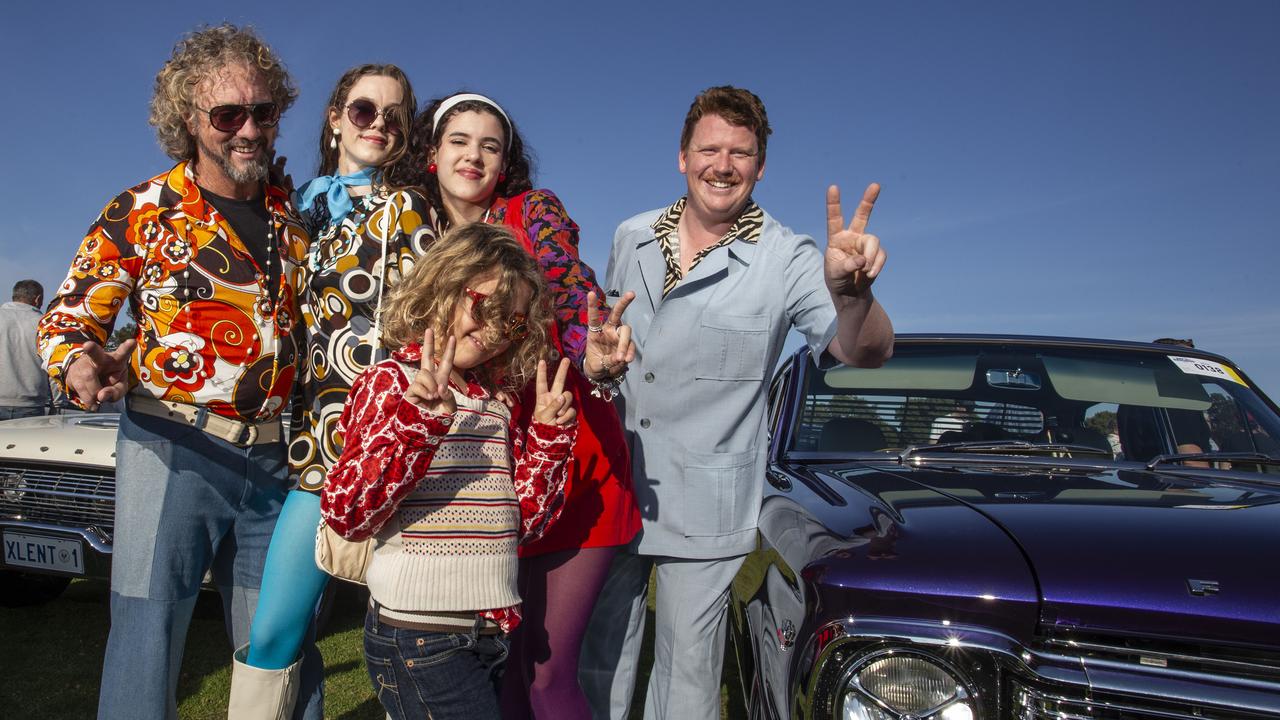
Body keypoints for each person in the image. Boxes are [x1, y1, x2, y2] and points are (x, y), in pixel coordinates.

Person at [579, 86, 895, 720]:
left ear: (760, 167)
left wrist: (852, 296)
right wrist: (600, 364)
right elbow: (610, 344)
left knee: (690, 678)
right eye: (710, 149)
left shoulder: (789, 258)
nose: (722, 165)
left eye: (740, 154)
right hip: (616, 486)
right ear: (682, 157)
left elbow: (866, 351)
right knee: (599, 657)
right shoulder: (630, 235)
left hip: (709, 503)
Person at [35, 25, 307, 719]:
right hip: (172, 449)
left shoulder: (295, 222)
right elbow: (67, 320)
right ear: (189, 120)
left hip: (276, 464)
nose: (248, 129)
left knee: (278, 648)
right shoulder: (141, 210)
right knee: (146, 639)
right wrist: (80, 365)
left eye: (263, 112)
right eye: (228, 115)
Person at [395, 91, 641, 719]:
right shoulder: (414, 236)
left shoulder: (531, 212)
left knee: (544, 673)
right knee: (497, 674)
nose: (474, 155)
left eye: (490, 145)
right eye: (459, 140)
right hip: (488, 476)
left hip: (572, 456)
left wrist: (590, 354)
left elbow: (567, 283)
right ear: (431, 153)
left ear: (505, 164)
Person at [227, 63, 429, 719]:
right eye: (366, 109)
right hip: (313, 458)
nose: (380, 125)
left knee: (420, 653)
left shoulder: (415, 207)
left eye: (396, 117)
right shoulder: (292, 207)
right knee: (272, 639)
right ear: (336, 116)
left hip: (394, 454)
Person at [320, 223, 580, 720]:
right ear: (441, 284)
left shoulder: (496, 403)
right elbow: (347, 512)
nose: (492, 331)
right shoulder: (390, 383)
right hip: (419, 636)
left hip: (489, 633)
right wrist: (419, 424)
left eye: (514, 323)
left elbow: (524, 524)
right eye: (482, 307)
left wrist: (547, 439)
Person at [0, 280, 51, 420]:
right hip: (30, 405)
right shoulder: (45, 324)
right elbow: (54, 366)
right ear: (38, 299)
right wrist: (58, 403)